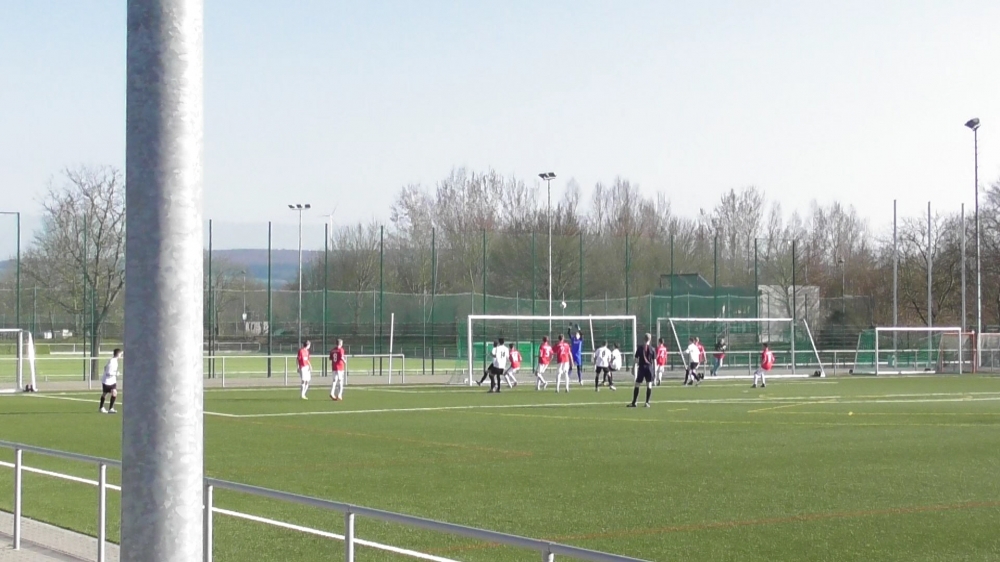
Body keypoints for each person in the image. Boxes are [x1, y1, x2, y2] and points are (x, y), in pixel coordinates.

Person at [628, 333, 656, 407]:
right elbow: (654, 362)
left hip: (642, 367)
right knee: (649, 384)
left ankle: (634, 402)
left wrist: (633, 367)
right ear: (650, 339)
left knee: (637, 384)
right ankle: (647, 402)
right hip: (649, 368)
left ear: (644, 339)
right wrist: (654, 371)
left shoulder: (640, 348)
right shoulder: (652, 349)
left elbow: (636, 359)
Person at [99, 348, 122, 414]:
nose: (121, 355)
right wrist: (116, 374)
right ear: (118, 354)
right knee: (105, 393)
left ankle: (111, 408)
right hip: (107, 381)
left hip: (112, 381)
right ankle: (101, 407)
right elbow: (108, 372)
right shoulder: (112, 361)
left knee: (114, 392)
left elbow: (105, 367)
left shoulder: (115, 361)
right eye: (120, 354)